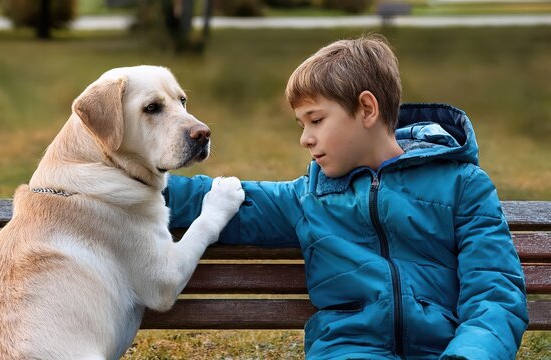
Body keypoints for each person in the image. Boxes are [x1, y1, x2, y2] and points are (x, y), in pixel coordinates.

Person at [164, 35, 528, 359]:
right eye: (302, 124)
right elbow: (219, 199)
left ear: (367, 109)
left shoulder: (463, 186)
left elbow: (494, 294)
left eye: (316, 120)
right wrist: (123, 183)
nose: (305, 138)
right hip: (348, 349)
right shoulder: (309, 197)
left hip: (445, 349)